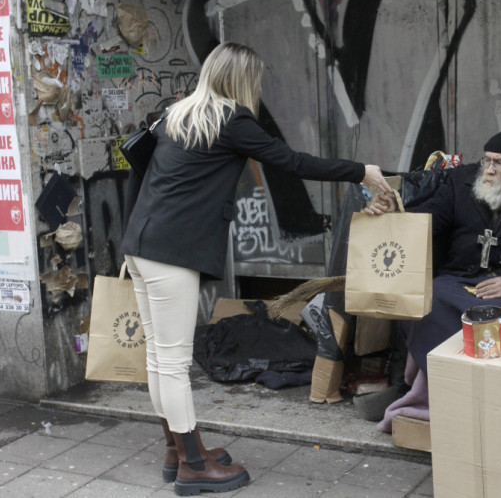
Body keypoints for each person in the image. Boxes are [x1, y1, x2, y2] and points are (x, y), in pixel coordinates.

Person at [121, 42, 391, 496]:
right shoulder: (230, 120)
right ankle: (192, 467)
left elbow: (140, 175)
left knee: (158, 359)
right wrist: (360, 170)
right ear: (242, 79)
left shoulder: (175, 114)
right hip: (172, 253)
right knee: (173, 363)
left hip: (142, 246)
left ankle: (179, 451)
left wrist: (129, 244)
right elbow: (293, 162)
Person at [365, 129, 501, 429]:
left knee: (497, 321)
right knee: (425, 303)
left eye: (499, 163)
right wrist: (395, 210)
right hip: (459, 279)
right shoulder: (462, 181)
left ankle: (480, 403)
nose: (489, 169)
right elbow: (429, 218)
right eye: (487, 160)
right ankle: (428, 394)